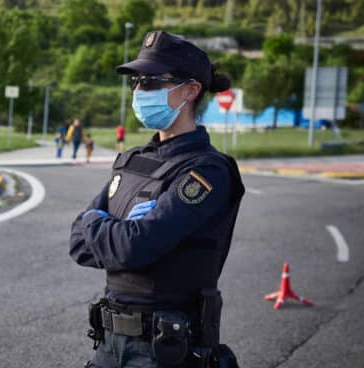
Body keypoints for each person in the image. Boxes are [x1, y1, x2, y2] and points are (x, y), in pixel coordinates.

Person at [69, 31, 244, 368]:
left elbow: (137, 246)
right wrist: (110, 230)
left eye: (151, 82)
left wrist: (98, 223)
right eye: (135, 81)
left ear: (191, 90)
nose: (138, 91)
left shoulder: (206, 170)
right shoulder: (132, 161)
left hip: (163, 351)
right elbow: (77, 243)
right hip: (107, 346)